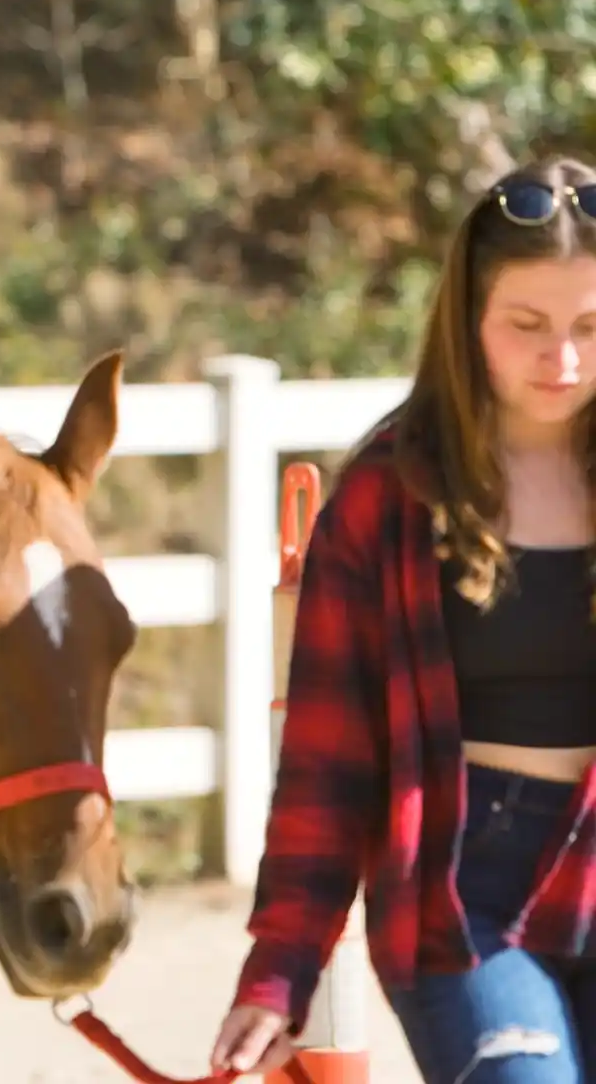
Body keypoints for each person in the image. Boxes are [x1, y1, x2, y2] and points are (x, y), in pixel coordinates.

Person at [212, 157, 596, 1083]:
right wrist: (278, 976)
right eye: (528, 326)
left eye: (591, 325)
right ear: (469, 322)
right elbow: (324, 767)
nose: (565, 360)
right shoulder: (389, 496)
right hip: (464, 887)